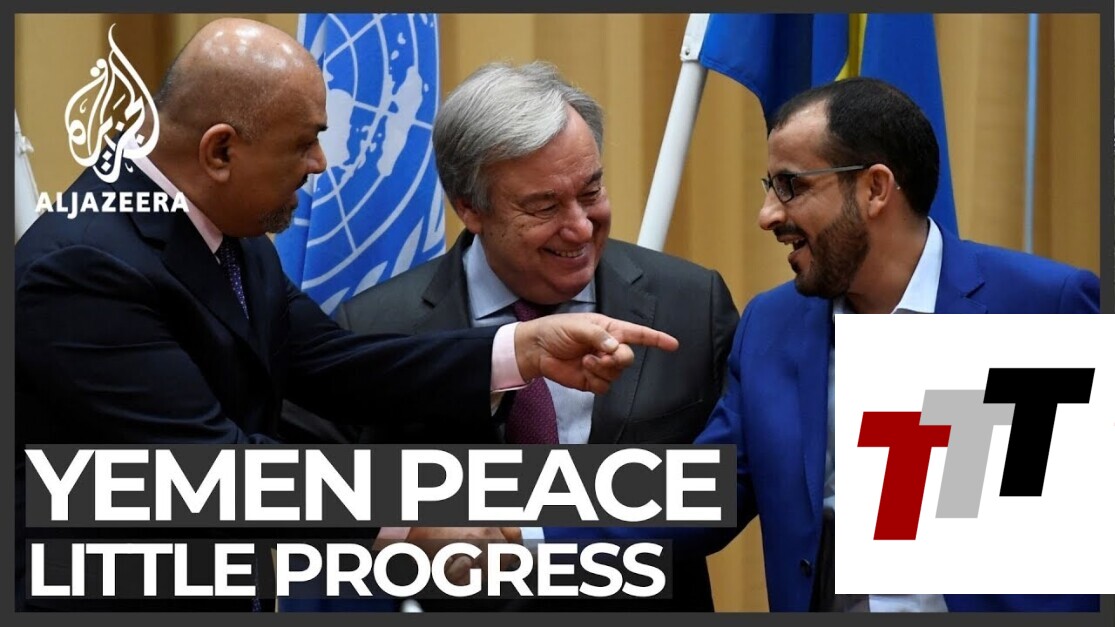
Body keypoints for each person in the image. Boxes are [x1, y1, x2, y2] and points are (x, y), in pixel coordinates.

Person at [13, 19, 678, 612]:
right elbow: (215, 469)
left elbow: (334, 362)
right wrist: (406, 524)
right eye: (304, 142)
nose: (319, 164)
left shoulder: (221, 220)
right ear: (220, 152)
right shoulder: (82, 268)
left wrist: (519, 350)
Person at [538, 77, 1101, 612]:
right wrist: (518, 520)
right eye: (770, 189)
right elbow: (701, 490)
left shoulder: (1039, 305)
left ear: (875, 188)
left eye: (792, 186)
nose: (767, 216)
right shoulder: (773, 326)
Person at [278, 61, 739, 612]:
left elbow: (737, 481)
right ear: (469, 208)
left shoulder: (692, 304)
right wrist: (407, 532)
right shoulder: (376, 327)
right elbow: (297, 492)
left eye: (591, 191)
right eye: (544, 206)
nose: (580, 226)